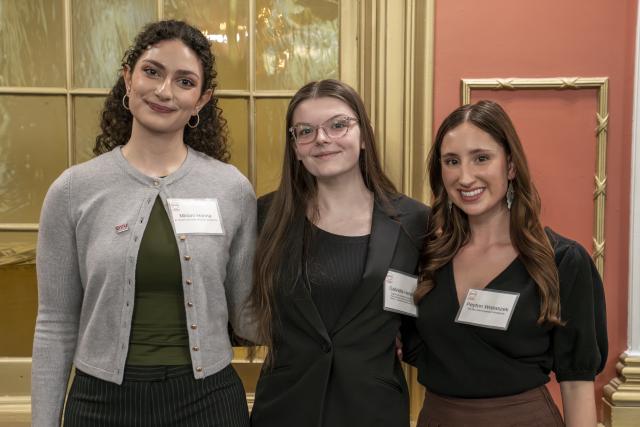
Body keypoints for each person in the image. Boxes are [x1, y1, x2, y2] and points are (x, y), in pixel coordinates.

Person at [31, 20, 256, 427]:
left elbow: (247, 316)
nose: (164, 91)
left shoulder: (231, 189)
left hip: (208, 403)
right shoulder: (73, 190)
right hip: (101, 404)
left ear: (201, 100)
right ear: (128, 79)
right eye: (152, 71)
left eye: (184, 81)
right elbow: (55, 323)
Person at [404, 100, 607, 427]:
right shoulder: (426, 256)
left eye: (481, 158)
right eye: (452, 161)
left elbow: (576, 383)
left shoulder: (563, 261)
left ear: (510, 166)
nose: (465, 177)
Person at [248, 79, 429, 427]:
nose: (322, 139)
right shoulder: (265, 215)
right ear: (296, 147)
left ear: (364, 136)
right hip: (284, 409)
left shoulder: (414, 222)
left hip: (372, 410)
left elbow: (430, 314)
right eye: (306, 131)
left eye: (338, 125)